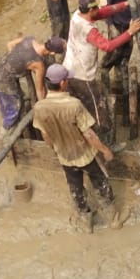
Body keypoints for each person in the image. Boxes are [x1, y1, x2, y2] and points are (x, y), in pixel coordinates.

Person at [32, 64, 116, 229]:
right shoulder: (74, 104)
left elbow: (45, 135)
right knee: (100, 181)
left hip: (64, 155)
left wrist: (55, 148)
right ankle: (113, 217)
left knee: (75, 187)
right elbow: (89, 134)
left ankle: (86, 221)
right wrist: (105, 150)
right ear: (63, 83)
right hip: (84, 153)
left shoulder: (39, 107)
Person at [63, 0, 140, 145]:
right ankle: (106, 143)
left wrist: (124, 5)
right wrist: (130, 32)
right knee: (98, 110)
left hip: (69, 69)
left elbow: (102, 12)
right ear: (91, 10)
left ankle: (80, 137)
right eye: (96, 8)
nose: (98, 10)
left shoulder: (78, 14)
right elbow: (107, 46)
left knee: (76, 106)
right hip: (83, 76)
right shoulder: (89, 30)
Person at [0, 34, 66, 134]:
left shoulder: (29, 39)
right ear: (52, 53)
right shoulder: (38, 64)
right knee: (15, 107)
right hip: (4, 81)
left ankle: (6, 119)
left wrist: (14, 60)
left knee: (4, 100)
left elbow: (9, 44)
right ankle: (4, 133)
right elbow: (39, 89)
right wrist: (43, 106)